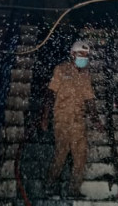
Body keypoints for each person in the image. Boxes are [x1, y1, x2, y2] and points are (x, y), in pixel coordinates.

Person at [41, 40, 99, 197]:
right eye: (81, 55)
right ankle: (49, 184)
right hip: (62, 120)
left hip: (78, 122)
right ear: (73, 54)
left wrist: (95, 118)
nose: (84, 58)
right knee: (61, 153)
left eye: (87, 56)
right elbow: (50, 93)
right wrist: (45, 117)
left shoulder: (86, 75)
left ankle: (74, 190)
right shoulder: (61, 70)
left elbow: (89, 99)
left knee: (80, 155)